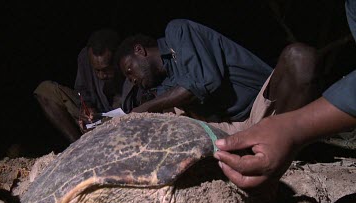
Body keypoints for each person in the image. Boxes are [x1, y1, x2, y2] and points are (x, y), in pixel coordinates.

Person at [213, 0, 356, 191]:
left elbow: (198, 85)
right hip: (242, 123)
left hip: (257, 113)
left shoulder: (178, 33)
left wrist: (292, 128)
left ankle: (283, 144)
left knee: (300, 56)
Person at [114, 19, 320, 135]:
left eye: (129, 71)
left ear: (139, 50)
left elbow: (204, 82)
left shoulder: (177, 32)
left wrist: (144, 109)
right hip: (228, 130)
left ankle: (281, 140)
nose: (131, 79)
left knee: (299, 56)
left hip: (266, 106)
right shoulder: (161, 86)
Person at [34, 29, 123, 143]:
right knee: (45, 90)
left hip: (121, 119)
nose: (101, 75)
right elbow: (82, 91)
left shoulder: (127, 62)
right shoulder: (85, 58)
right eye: (96, 70)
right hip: (97, 117)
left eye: (106, 69)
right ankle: (78, 144)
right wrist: (86, 109)